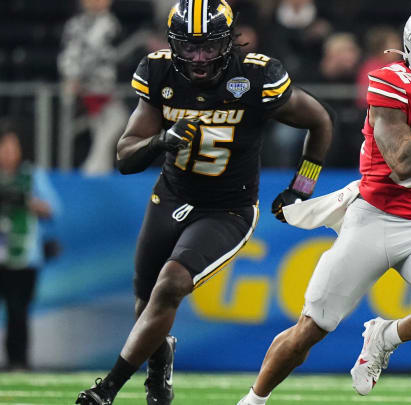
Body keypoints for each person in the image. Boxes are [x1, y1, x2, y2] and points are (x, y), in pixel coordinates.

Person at [236, 2, 411, 404]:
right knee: (309, 331)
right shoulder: (390, 81)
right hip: (372, 220)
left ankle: (385, 336)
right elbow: (402, 163)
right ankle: (253, 400)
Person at [75, 0, 333, 404]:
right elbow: (125, 157)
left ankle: (107, 388)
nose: (198, 58)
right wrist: (160, 140)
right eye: (189, 47)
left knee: (171, 284)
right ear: (173, 43)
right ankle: (159, 372)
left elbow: (320, 120)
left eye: (209, 47)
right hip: (172, 196)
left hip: (228, 208)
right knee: (146, 301)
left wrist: (302, 187)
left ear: (228, 43)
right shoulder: (158, 73)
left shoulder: (255, 76)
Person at [0, 121, 60, 370]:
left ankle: (18, 362)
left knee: (18, 312)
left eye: (12, 147)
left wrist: (25, 200)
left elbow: (52, 210)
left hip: (25, 257)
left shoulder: (32, 175)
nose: (8, 153)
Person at [58, 0, 129, 176]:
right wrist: (73, 77)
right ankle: (95, 168)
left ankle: (96, 168)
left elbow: (110, 55)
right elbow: (70, 55)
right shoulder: (75, 25)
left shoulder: (111, 24)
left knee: (114, 122)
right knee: (109, 123)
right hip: (87, 89)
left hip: (106, 87)